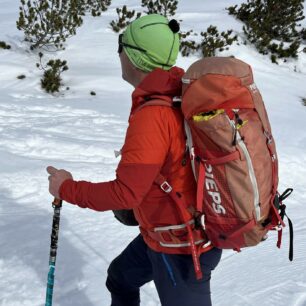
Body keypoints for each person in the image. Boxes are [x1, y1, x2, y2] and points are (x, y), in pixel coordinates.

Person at [47, 14, 222, 306]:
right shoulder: (178, 92)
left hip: (181, 247)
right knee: (121, 277)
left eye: (122, 47)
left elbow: (124, 192)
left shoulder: (154, 114)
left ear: (135, 58)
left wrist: (65, 187)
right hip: (167, 233)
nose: (119, 54)